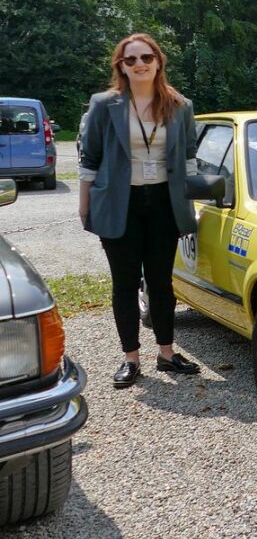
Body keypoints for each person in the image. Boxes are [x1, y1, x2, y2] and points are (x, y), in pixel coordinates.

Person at [78, 34, 201, 388]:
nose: (139, 64)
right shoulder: (104, 105)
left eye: (146, 57)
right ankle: (130, 358)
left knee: (162, 282)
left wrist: (189, 205)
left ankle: (166, 353)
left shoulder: (180, 105)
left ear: (158, 61)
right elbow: (90, 159)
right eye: (130, 60)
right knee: (125, 283)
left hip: (163, 202)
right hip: (120, 203)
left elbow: (189, 159)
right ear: (121, 66)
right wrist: (84, 206)